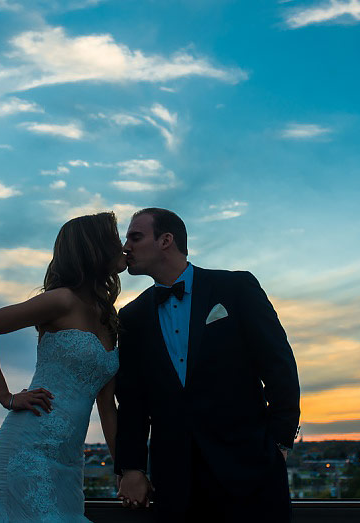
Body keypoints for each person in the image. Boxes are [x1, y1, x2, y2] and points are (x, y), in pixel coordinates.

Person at [114, 208, 300, 522]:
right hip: (175, 486)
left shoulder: (236, 288)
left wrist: (279, 445)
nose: (126, 247)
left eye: (135, 236)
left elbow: (279, 368)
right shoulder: (131, 317)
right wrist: (131, 468)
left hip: (250, 474)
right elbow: (132, 402)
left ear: (166, 241)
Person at [0, 212, 127, 522]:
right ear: (94, 248)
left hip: (70, 461)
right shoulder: (61, 300)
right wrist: (8, 397)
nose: (123, 246)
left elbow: (107, 408)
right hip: (28, 447)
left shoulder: (109, 317)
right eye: (115, 239)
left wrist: (123, 471)